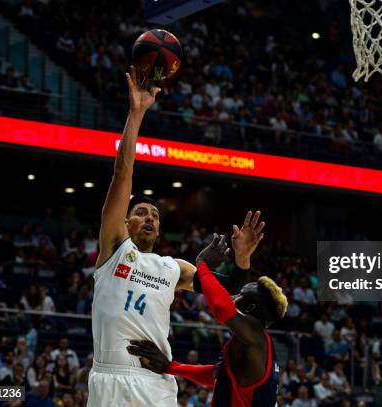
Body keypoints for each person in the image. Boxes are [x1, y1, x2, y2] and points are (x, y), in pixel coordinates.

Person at [88, 66, 264, 407]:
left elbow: (225, 296)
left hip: (153, 382)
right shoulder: (114, 248)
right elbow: (122, 173)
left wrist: (242, 261)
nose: (149, 217)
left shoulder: (173, 268)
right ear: (124, 222)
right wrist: (136, 113)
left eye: (155, 214)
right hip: (107, 377)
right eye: (141, 212)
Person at [127, 244, 287, 406]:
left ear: (250, 308)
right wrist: (171, 367)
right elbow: (215, 375)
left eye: (240, 295)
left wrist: (202, 264)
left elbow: (221, 308)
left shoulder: (256, 337)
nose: (232, 296)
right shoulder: (254, 345)